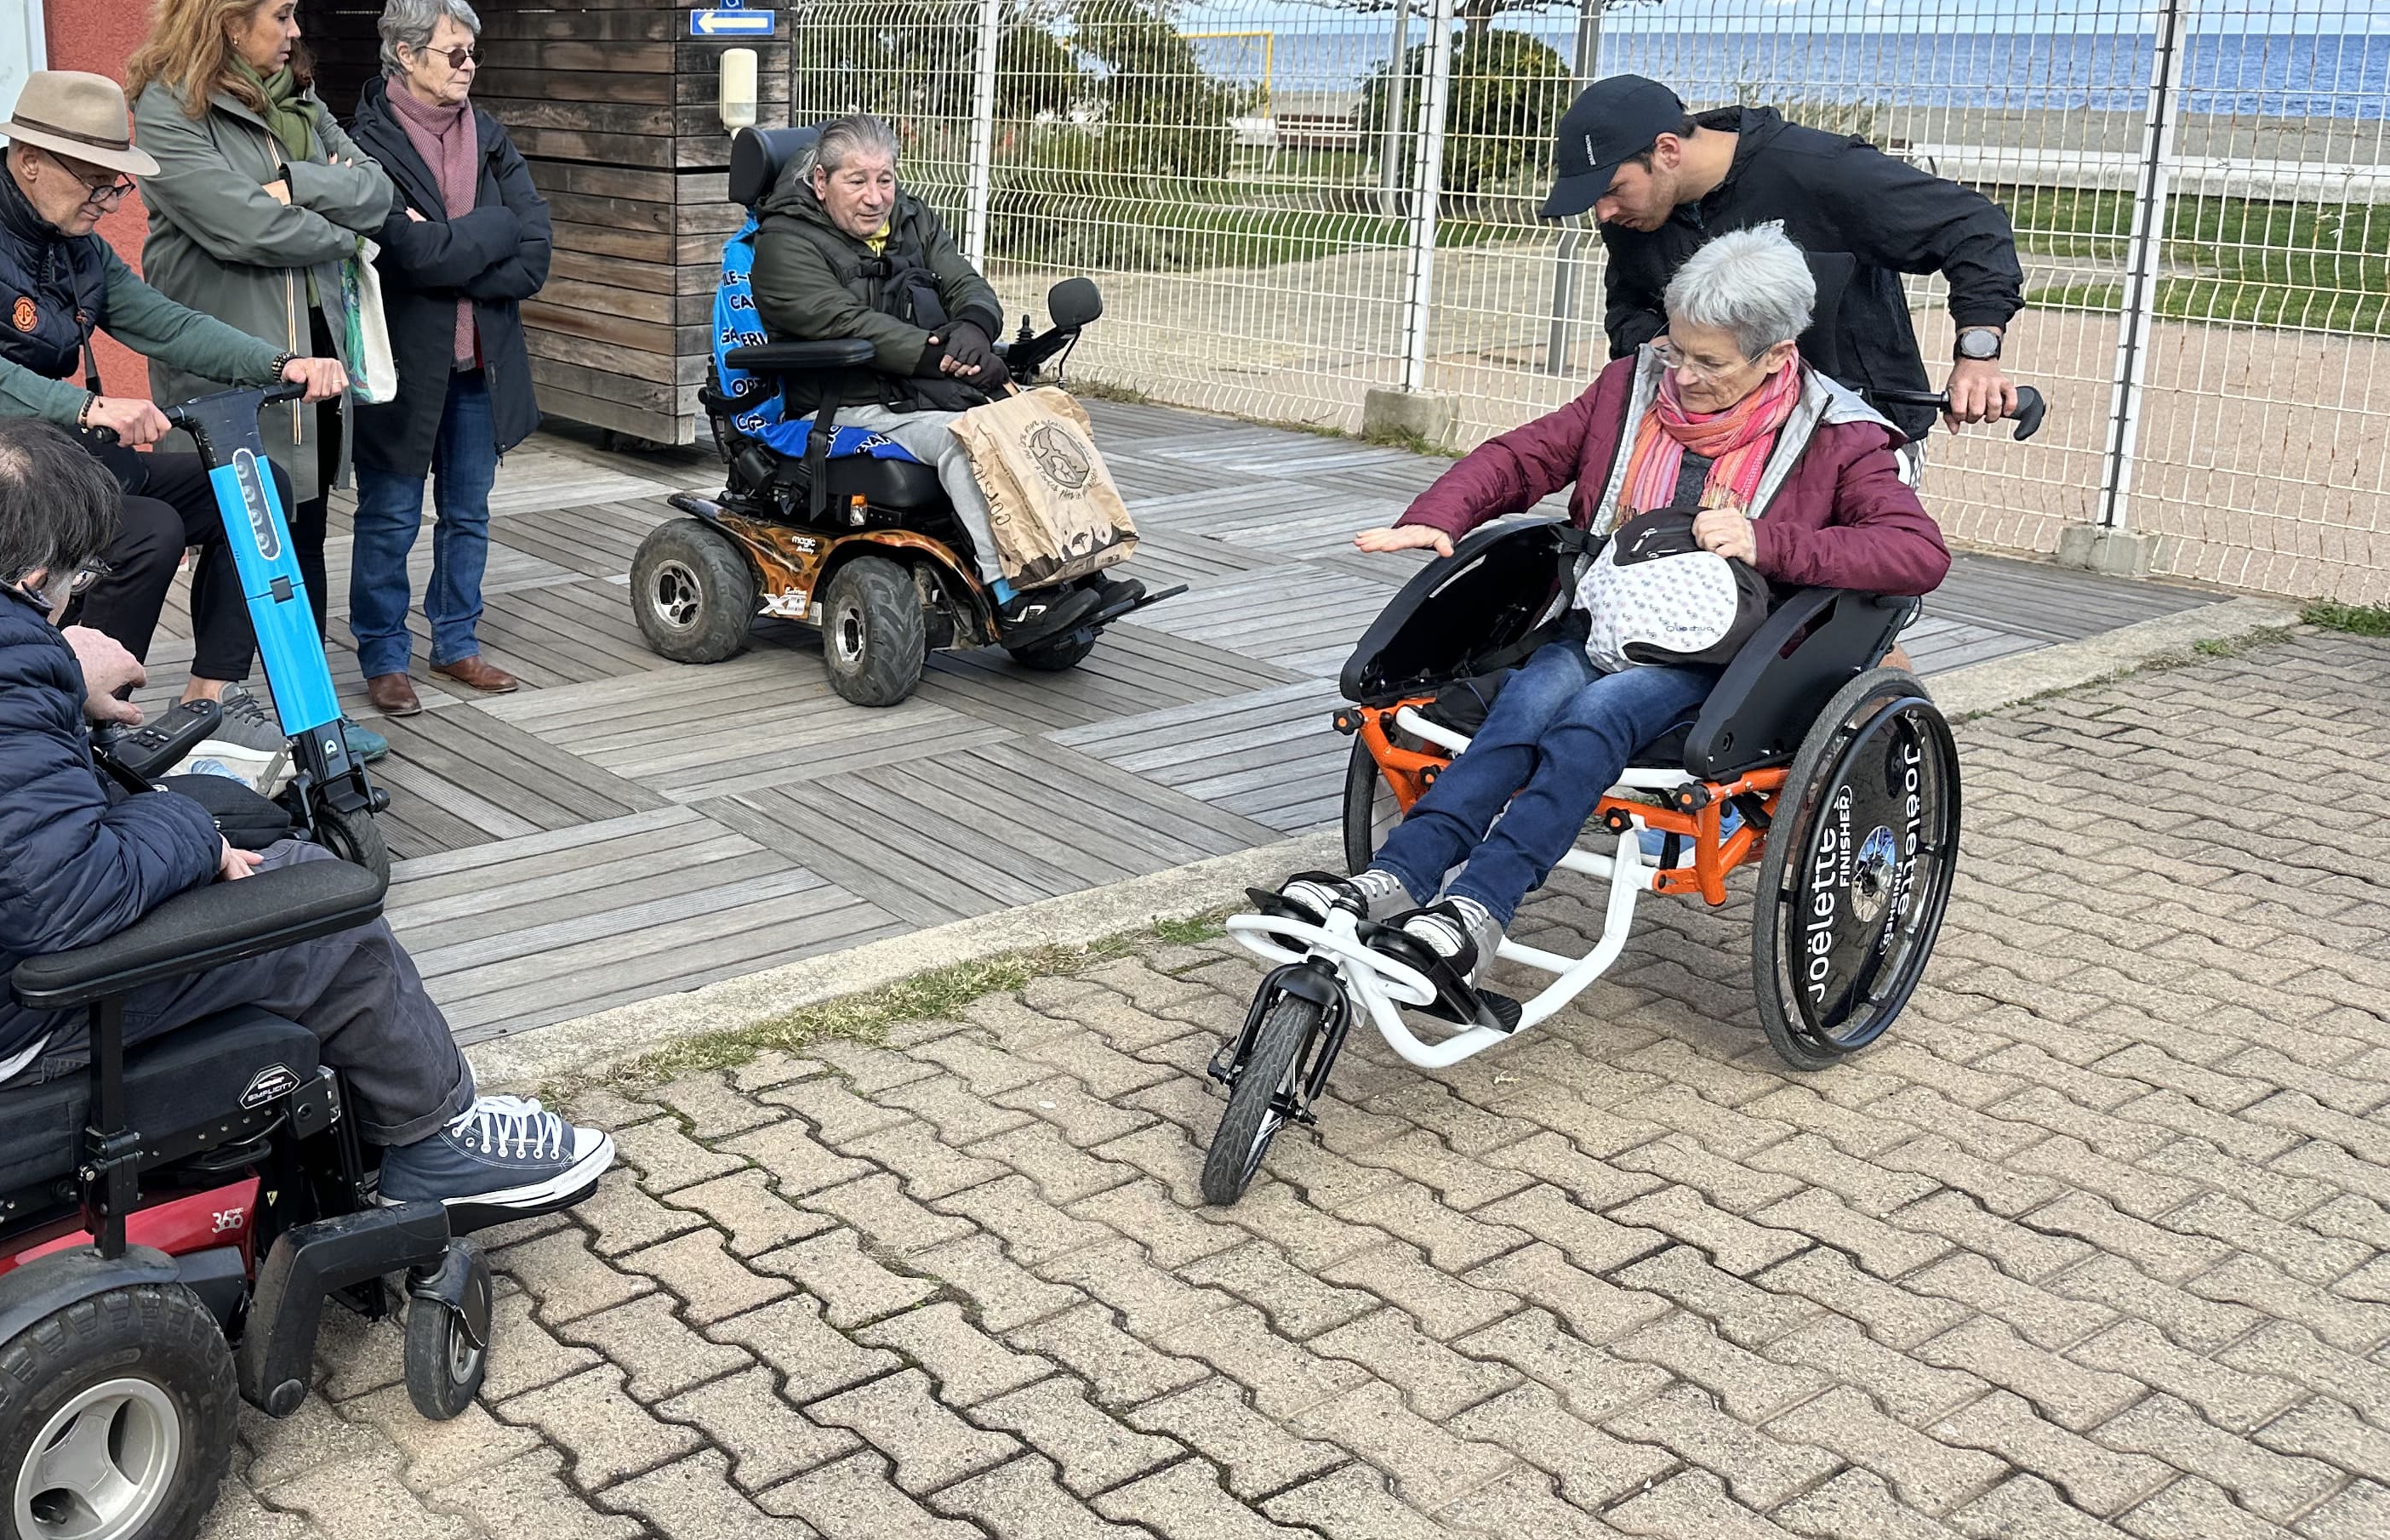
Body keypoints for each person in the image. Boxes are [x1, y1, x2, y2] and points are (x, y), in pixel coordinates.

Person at [0, 417, 616, 1222]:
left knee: (238, 819)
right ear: (39, 577)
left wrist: (53, 674)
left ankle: (331, 1104)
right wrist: (186, 834)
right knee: (325, 908)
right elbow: (67, 901)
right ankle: (434, 1138)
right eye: (75, 584)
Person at [1276, 225, 1949, 1001]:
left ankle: (1478, 910)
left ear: (1774, 354)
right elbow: (1527, 455)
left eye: (1711, 363)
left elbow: (1915, 554)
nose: (1685, 376)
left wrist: (1770, 542)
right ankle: (1394, 878)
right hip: (1605, 620)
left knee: (1594, 716)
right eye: (1678, 350)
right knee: (1523, 705)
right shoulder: (1632, 387)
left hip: (1731, 658)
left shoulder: (1840, 435)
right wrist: (1443, 513)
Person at [0, 68, 351, 712]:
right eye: (95, 181)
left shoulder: (74, 244)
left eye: (114, 183)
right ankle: (77, 708)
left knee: (256, 487)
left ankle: (209, 700)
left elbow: (164, 321)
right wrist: (85, 406)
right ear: (30, 161)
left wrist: (278, 363)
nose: (109, 201)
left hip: (43, 456)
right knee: (146, 531)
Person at [129, 0, 396, 751]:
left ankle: (310, 720)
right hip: (230, 370)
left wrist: (299, 185)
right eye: (279, 14)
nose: (292, 30)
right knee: (245, 547)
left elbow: (378, 189)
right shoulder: (166, 111)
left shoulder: (298, 104)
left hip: (311, 363)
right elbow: (244, 227)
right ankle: (226, 719)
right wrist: (335, 233)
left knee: (303, 535)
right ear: (227, 19)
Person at [748, 113, 1135, 645]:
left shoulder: (912, 219)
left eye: (885, 178)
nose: (875, 196)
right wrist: (948, 360)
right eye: (856, 181)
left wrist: (976, 325)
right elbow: (845, 322)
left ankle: (1076, 570)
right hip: (844, 404)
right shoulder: (783, 243)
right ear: (821, 182)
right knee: (966, 444)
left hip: (923, 390)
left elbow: (963, 281)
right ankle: (1010, 597)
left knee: (1043, 421)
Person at [1543, 75, 2027, 455]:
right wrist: (1661, 346)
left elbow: (1973, 226)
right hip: (1714, 438)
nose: (1603, 212)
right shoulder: (1634, 217)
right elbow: (1628, 308)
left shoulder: (1821, 169)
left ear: (1667, 151)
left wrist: (1978, 356)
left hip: (1856, 438)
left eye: (1611, 190)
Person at [340, 0, 553, 716]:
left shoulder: (490, 136)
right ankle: (383, 654)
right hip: (402, 366)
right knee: (391, 516)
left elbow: (535, 255)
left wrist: (452, 244)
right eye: (454, 52)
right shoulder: (364, 144)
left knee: (469, 512)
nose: (468, 65)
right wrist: (484, 234)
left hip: (480, 367)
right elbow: (406, 255)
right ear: (405, 56)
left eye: (473, 52)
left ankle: (457, 641)